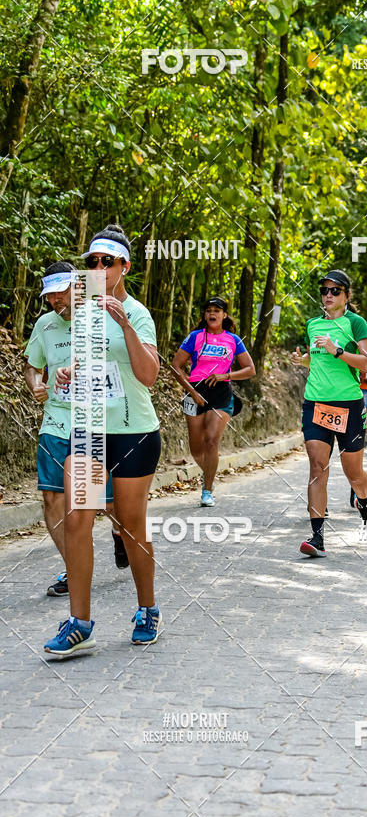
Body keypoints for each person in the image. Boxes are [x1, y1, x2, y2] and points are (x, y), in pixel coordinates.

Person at [44, 224, 162, 656]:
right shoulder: (85, 314)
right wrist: (67, 372)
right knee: (78, 519)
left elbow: (147, 376)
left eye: (106, 262)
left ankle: (147, 608)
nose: (97, 268)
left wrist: (125, 323)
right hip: (90, 430)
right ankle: (80, 622)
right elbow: (88, 363)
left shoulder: (139, 312)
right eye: (91, 262)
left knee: (131, 528)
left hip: (134, 433)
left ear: (124, 267)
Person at [24, 262, 127, 599]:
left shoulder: (100, 316)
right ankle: (74, 567)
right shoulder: (44, 325)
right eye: (50, 294)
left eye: (61, 291)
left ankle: (120, 533)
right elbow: (32, 366)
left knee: (107, 504)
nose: (55, 299)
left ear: (78, 288)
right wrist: (36, 383)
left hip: (96, 421)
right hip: (56, 420)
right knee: (52, 497)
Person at [291, 269, 367, 557]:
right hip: (315, 403)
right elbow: (318, 363)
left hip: (348, 405)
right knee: (317, 466)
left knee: (353, 473)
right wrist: (302, 359)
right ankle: (317, 537)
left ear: (346, 295)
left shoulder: (355, 323)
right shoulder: (313, 324)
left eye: (335, 291)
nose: (328, 296)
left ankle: (364, 504)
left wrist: (338, 350)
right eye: (324, 291)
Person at [171, 297, 256, 506]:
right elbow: (175, 366)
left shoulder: (233, 340)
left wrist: (225, 376)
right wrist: (192, 392)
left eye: (217, 310)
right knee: (196, 449)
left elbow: (250, 370)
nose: (212, 314)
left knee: (211, 440)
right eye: (209, 310)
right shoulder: (195, 337)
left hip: (221, 393)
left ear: (224, 315)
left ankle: (207, 489)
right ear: (204, 315)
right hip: (194, 392)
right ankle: (209, 473)